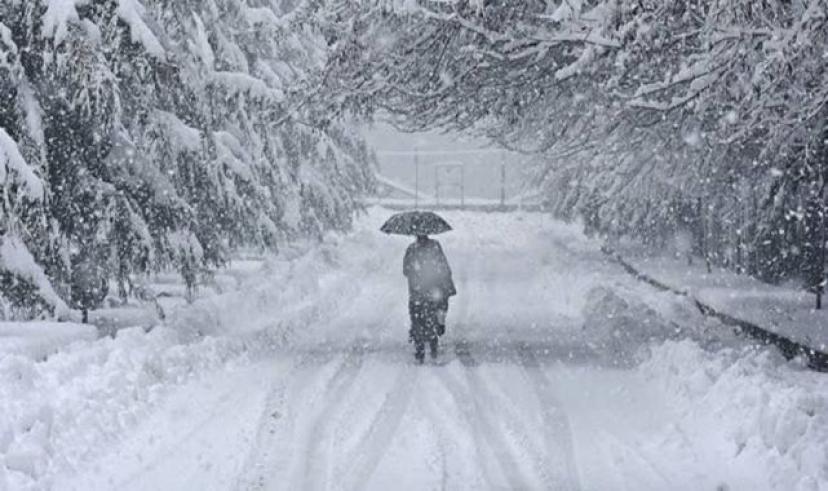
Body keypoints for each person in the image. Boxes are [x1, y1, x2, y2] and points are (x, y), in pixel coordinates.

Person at [403, 234, 456, 363]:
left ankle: (419, 348)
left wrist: (415, 272)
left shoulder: (411, 249)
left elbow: (405, 270)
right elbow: (444, 266)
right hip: (432, 290)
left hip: (417, 291)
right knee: (431, 317)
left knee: (417, 319)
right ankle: (433, 346)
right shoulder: (435, 247)